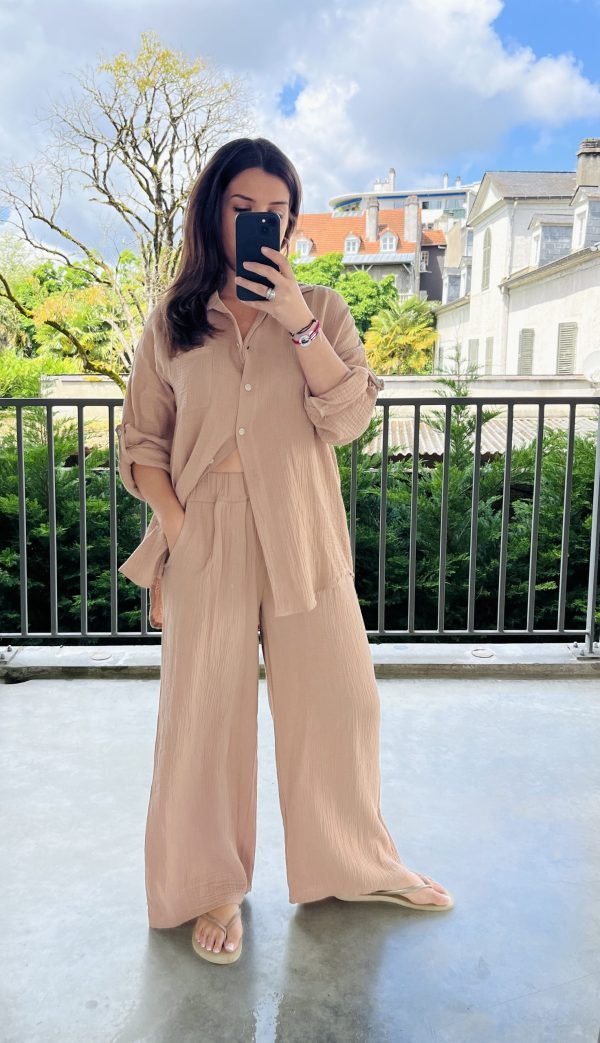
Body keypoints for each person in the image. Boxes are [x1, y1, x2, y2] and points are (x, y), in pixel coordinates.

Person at [116, 136, 453, 967]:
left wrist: (298, 321)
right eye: (243, 208)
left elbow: (348, 419)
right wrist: (182, 528)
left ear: (292, 221)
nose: (260, 221)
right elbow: (143, 446)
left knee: (341, 702)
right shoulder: (173, 322)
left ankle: (353, 864)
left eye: (276, 211)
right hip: (206, 529)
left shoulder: (325, 309)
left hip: (303, 521)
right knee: (204, 718)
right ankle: (211, 885)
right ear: (213, 214)